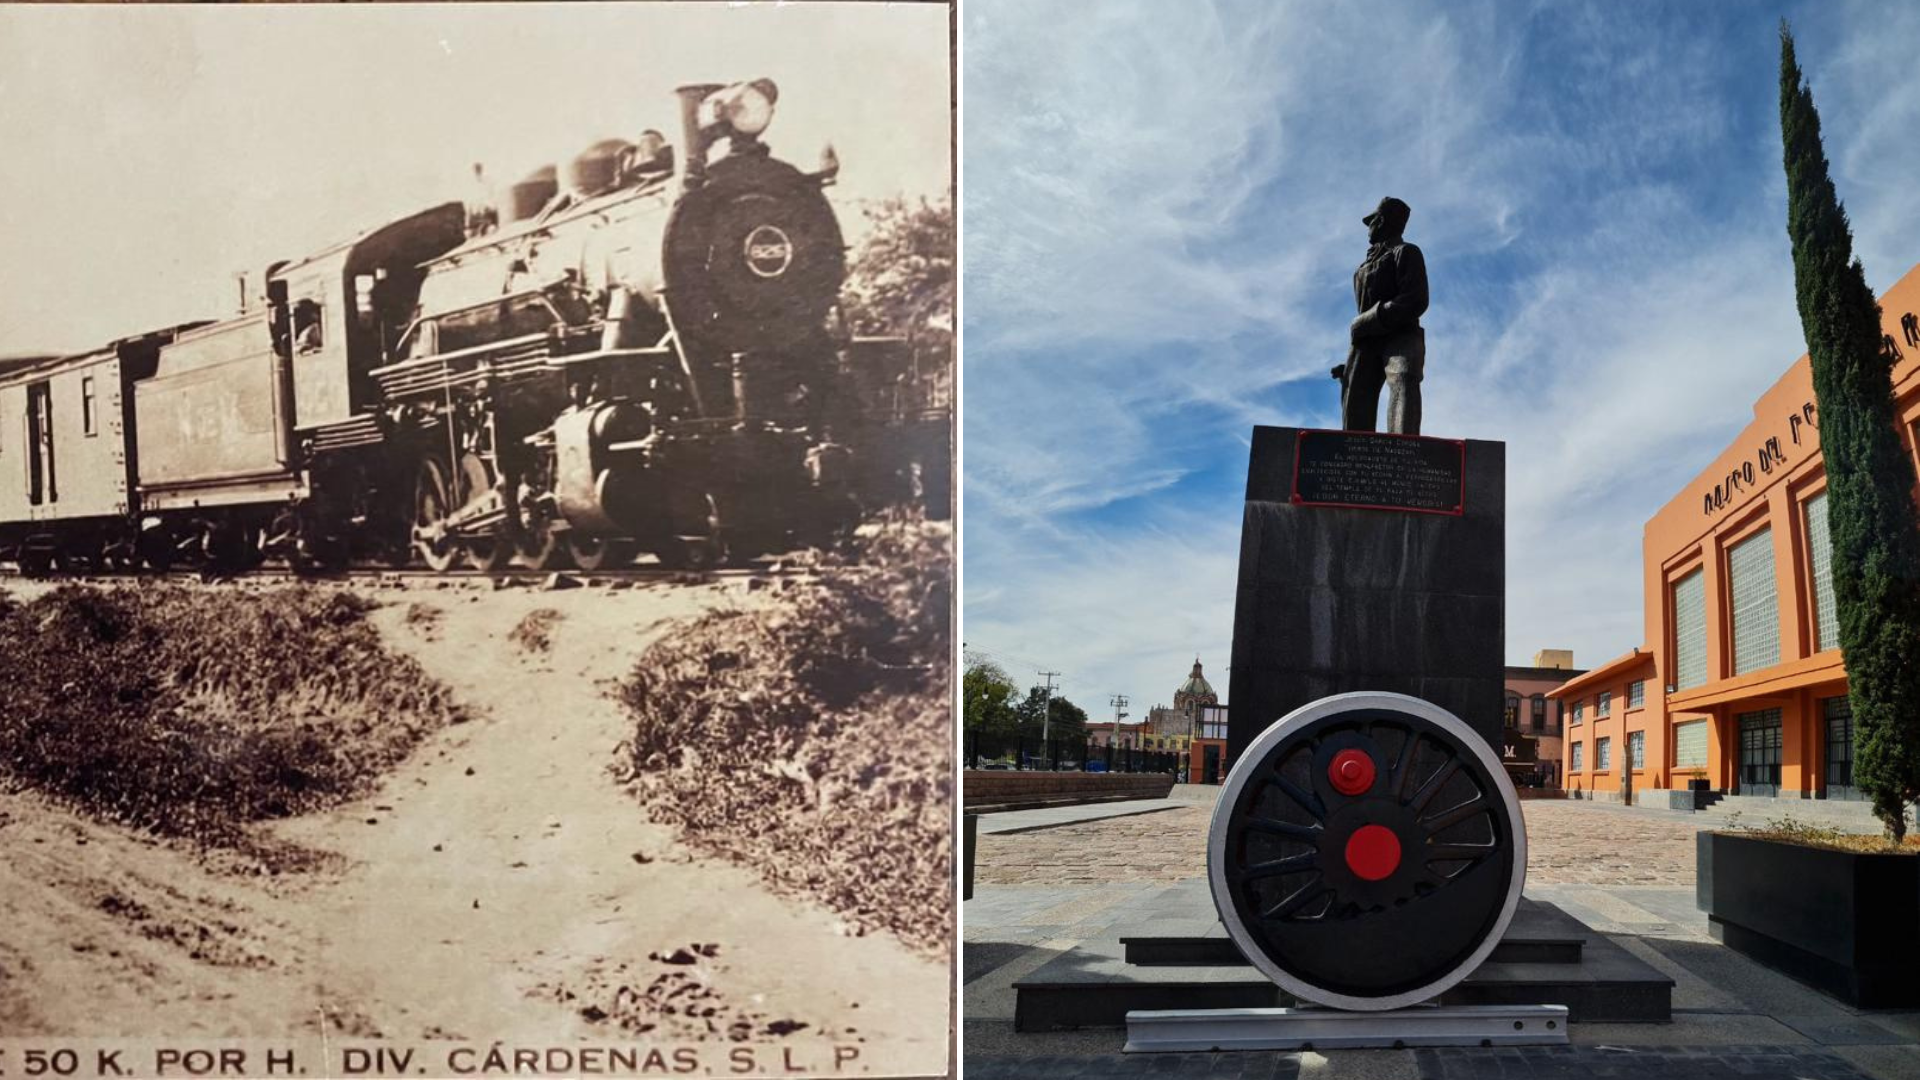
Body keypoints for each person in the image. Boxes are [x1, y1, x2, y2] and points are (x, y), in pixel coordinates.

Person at [1331, 196, 1428, 434]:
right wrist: (1352, 364)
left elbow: (1416, 300)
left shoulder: (1406, 252)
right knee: (1355, 396)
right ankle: (1354, 462)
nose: (1369, 228)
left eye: (1371, 222)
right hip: (1366, 343)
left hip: (1402, 336)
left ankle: (1404, 454)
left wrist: (1371, 319)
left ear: (1381, 221)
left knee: (1403, 378)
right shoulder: (1361, 270)